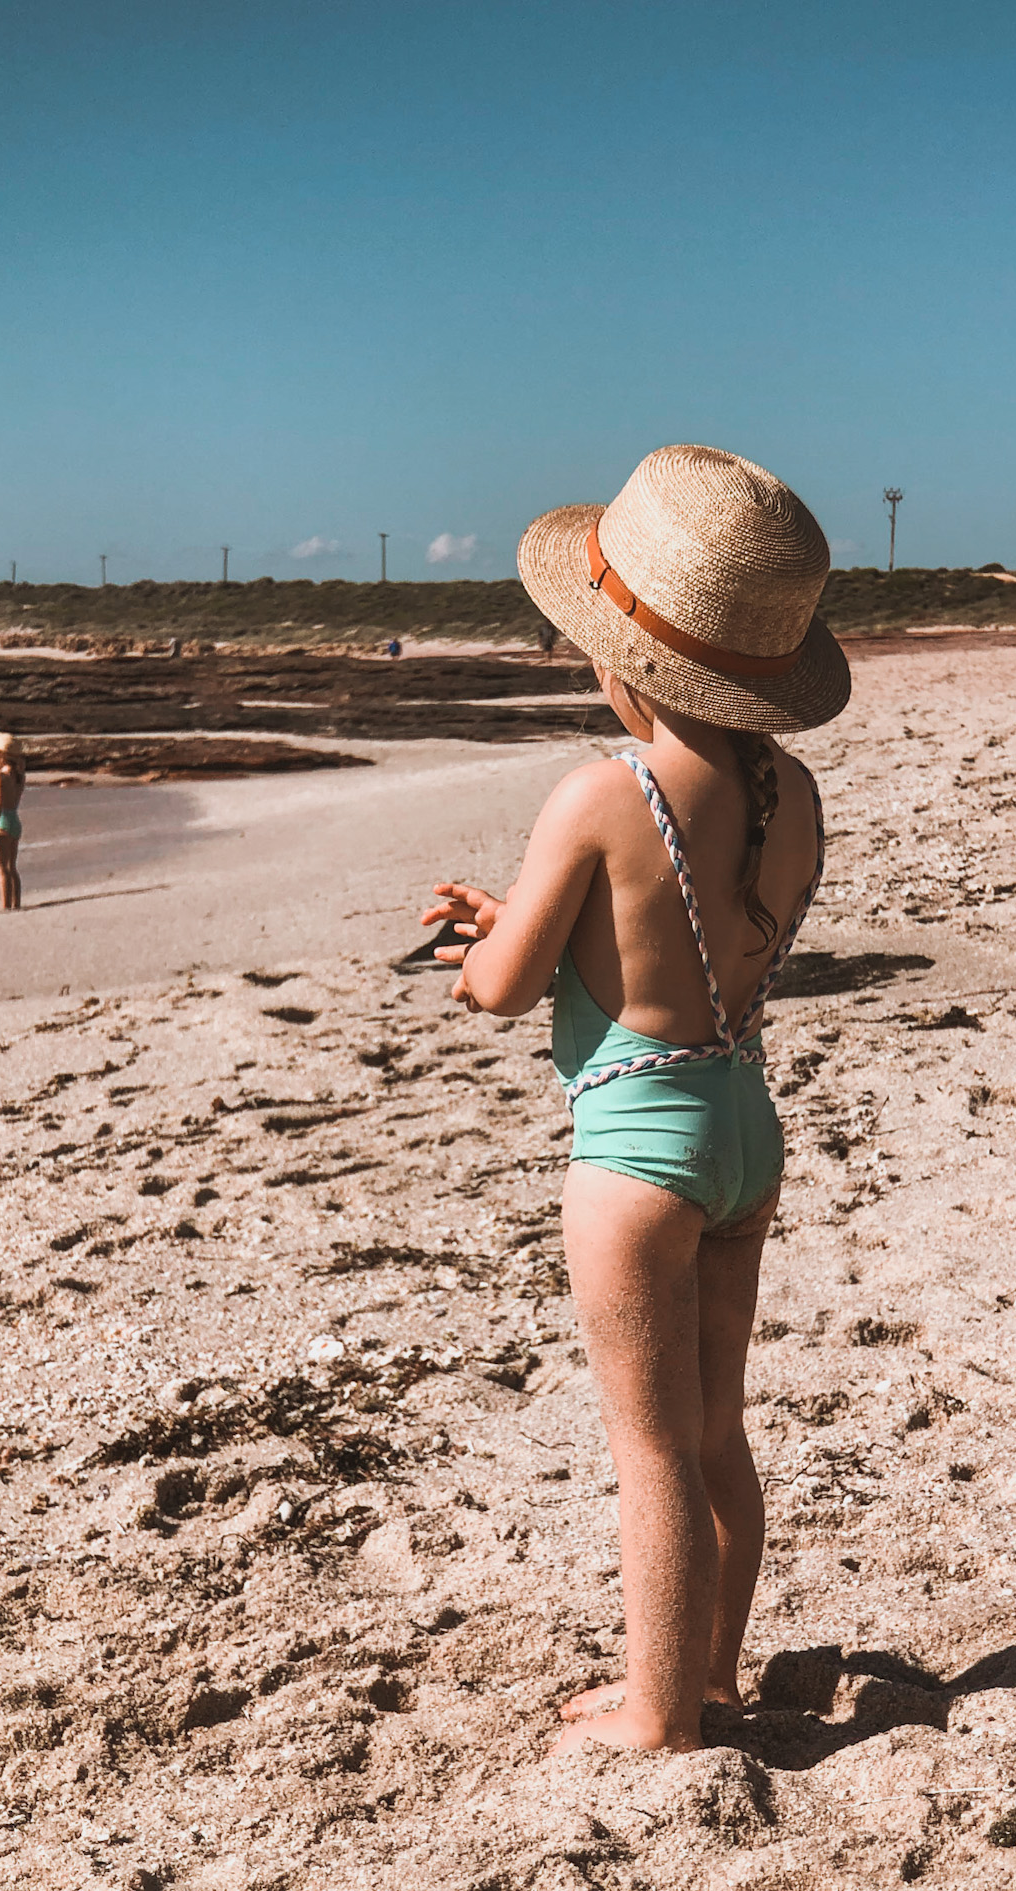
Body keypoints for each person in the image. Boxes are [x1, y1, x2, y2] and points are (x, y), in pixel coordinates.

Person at [421, 445, 850, 1751]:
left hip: (634, 1159)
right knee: (716, 1427)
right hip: (739, 1128)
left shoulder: (601, 792)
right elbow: (698, 952)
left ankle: (658, 1713)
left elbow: (500, 991)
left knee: (646, 1449)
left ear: (622, 665)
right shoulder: (793, 796)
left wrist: (483, 946)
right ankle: (710, 1672)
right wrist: (542, 928)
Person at [0, 731, 27, 911]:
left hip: (2, 821)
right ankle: (15, 903)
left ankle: (5, 905)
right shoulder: (19, 776)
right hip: (14, 820)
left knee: (1, 869)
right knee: (12, 868)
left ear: (1, 756)